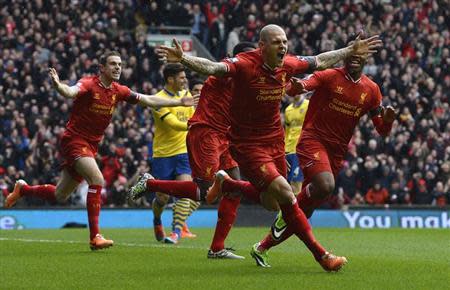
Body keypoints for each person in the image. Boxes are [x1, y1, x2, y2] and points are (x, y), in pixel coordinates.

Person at [155, 25, 382, 271]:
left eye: (284, 41)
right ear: (262, 47)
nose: (282, 46)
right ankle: (322, 255)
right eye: (276, 42)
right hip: (248, 143)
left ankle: (229, 184)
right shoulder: (244, 64)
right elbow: (214, 68)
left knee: (271, 203)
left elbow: (319, 60)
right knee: (286, 194)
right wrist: (184, 59)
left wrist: (349, 50)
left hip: (275, 140)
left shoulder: (289, 64)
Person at [4, 51, 195, 250]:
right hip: (74, 141)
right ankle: (95, 236)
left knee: (60, 195)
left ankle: (23, 189)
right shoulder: (88, 84)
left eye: (120, 64)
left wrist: (178, 102)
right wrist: (58, 85)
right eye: (113, 64)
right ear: (102, 67)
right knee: (97, 180)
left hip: (90, 146)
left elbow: (148, 100)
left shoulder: (118, 90)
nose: (118, 67)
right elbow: (70, 92)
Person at [251, 32, 396, 267]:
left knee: (304, 212)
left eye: (360, 54)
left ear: (367, 59)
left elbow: (382, 130)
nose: (356, 57)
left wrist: (388, 120)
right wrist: (299, 86)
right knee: (325, 185)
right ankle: (294, 215)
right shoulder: (330, 76)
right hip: (312, 140)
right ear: (346, 56)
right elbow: (304, 84)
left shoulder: (372, 90)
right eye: (352, 52)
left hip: (337, 151)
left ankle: (262, 246)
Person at [128, 42, 258, 259]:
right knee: (204, 194)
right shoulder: (226, 72)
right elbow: (208, 67)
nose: (256, 61)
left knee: (233, 190)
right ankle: (150, 184)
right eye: (253, 56)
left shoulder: (246, 81)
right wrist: (184, 58)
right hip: (202, 137)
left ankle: (214, 246)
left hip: (222, 138)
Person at [147, 63, 197, 244]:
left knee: (185, 191)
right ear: (170, 79)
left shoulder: (187, 95)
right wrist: (196, 125)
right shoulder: (157, 100)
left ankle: (176, 232)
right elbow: (174, 124)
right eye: (182, 77)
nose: (185, 80)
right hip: (163, 154)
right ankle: (157, 219)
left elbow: (193, 117)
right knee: (162, 197)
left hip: (184, 151)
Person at [284, 93, 309, 193]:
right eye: (292, 90)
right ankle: (286, 208)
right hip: (287, 151)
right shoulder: (288, 110)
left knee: (297, 182)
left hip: (300, 150)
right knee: (286, 183)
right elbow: (287, 131)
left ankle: (297, 207)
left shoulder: (308, 105)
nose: (294, 92)